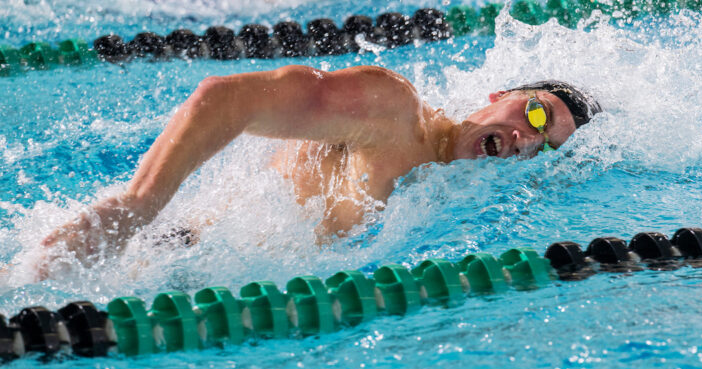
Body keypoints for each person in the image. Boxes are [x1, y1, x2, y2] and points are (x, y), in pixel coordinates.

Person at [35, 65, 601, 279]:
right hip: (153, 251)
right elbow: (222, 99)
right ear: (497, 96)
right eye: (534, 113)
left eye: (543, 148)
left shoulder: (446, 198)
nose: (527, 139)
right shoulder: (391, 112)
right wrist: (139, 203)